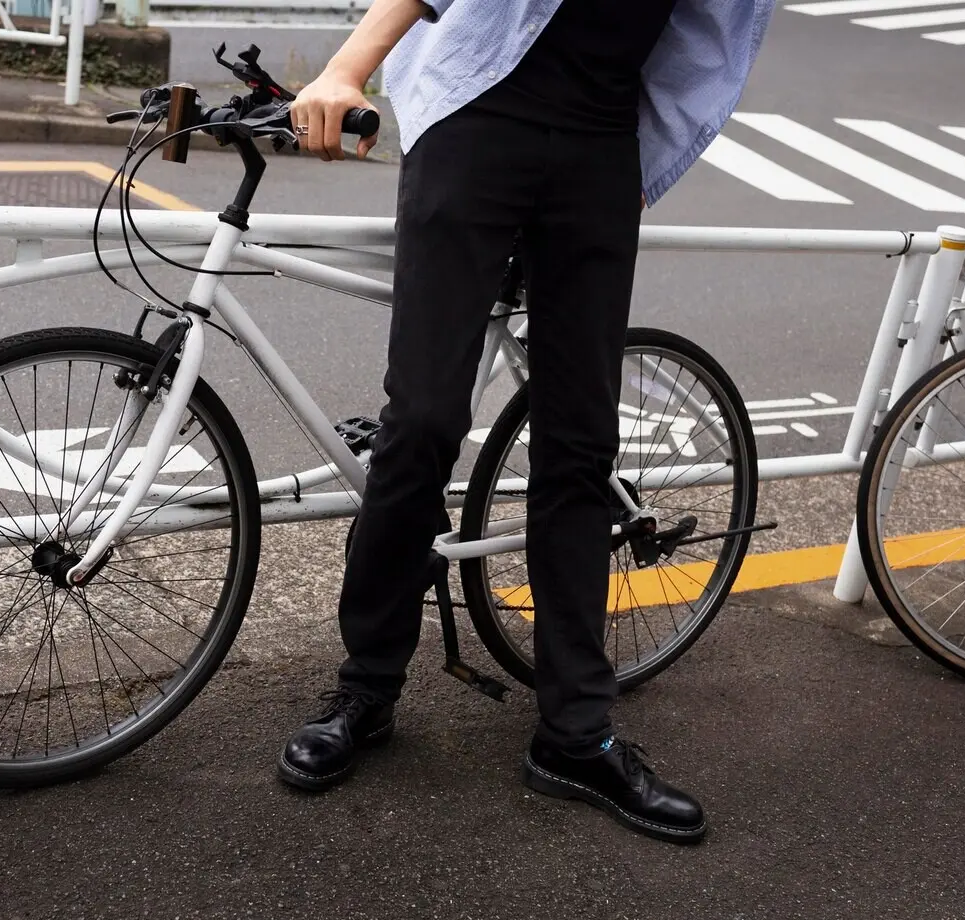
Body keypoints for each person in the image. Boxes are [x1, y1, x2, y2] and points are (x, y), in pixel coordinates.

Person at [275, 0, 775, 844]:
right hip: (479, 118)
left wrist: (631, 169)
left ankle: (576, 736)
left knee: (581, 445)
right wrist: (344, 69)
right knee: (426, 418)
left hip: (604, 145)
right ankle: (366, 688)